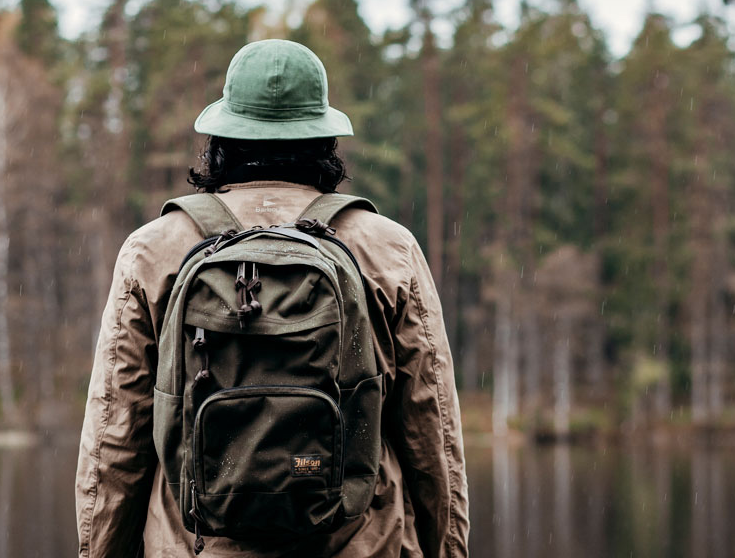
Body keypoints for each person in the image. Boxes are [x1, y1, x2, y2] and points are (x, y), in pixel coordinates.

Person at [75, 39, 468, 558]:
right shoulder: (387, 248)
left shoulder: (154, 250)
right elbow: (432, 434)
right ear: (325, 138)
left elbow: (114, 442)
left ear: (221, 137)